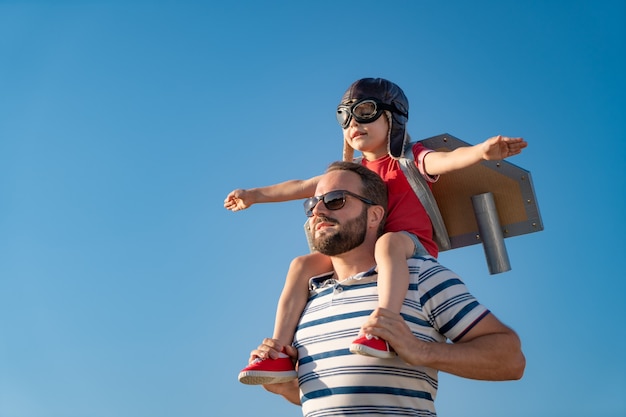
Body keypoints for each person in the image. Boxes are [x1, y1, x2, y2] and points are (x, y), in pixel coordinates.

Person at [224, 78, 527, 384]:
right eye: (345, 117)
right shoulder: (351, 174)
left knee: (388, 244)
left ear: (391, 117)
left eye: (365, 111)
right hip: (368, 252)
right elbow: (300, 186)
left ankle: (384, 326)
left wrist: (480, 152)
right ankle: (278, 352)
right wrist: (254, 195)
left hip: (409, 244)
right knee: (302, 264)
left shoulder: (409, 159)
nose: (354, 122)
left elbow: (446, 160)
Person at [249, 161, 526, 416]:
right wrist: (283, 386)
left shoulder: (420, 277)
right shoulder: (307, 298)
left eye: (335, 200)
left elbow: (511, 359)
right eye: (312, 204)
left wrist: (421, 351)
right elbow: (332, 395)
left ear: (374, 216)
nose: (318, 211)